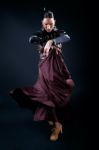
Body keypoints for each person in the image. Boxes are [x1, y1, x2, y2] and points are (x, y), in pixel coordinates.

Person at [9, 10, 75, 141]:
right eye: (46, 25)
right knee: (44, 94)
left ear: (54, 22)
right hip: (45, 69)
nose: (48, 27)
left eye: (50, 24)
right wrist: (45, 40)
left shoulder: (59, 33)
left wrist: (53, 41)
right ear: (42, 23)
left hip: (58, 68)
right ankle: (57, 125)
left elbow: (67, 38)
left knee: (55, 93)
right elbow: (31, 39)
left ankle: (55, 119)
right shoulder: (39, 34)